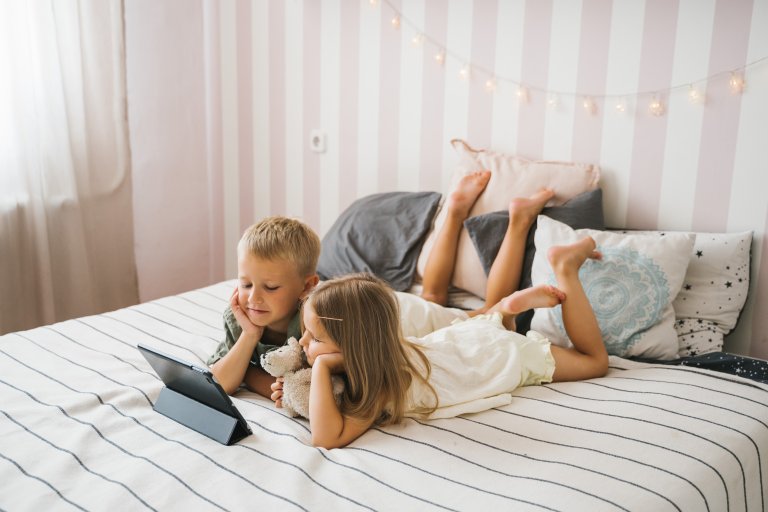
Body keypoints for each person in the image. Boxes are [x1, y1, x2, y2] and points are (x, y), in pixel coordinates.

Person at [291, 237, 609, 449]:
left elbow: (325, 438)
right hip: (465, 338)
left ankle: (565, 268)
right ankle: (503, 310)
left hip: (500, 353)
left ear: (356, 348)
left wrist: (321, 365)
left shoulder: (383, 384)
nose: (302, 343)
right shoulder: (379, 355)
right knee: (485, 332)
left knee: (594, 362)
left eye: (315, 338)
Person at [207, 216, 321, 396]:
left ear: (306, 286)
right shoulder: (239, 318)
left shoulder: (317, 323)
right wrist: (250, 335)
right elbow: (220, 383)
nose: (254, 298)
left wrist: (248, 373)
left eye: (271, 287)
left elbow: (321, 387)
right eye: (246, 284)